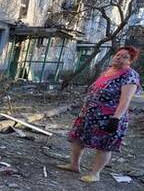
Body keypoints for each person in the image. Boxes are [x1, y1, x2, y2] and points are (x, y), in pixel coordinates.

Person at [58, 46, 141, 182]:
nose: (119, 58)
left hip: (109, 117)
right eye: (118, 55)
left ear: (130, 61)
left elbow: (125, 100)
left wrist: (115, 119)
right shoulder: (108, 71)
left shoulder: (130, 75)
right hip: (89, 114)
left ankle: (95, 174)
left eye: (124, 57)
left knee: (104, 145)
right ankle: (74, 165)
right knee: (76, 138)